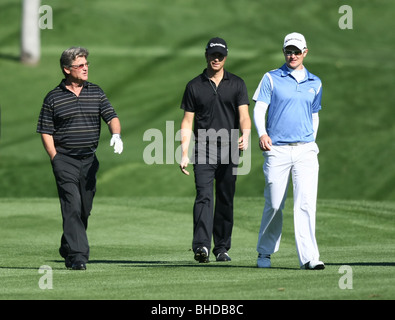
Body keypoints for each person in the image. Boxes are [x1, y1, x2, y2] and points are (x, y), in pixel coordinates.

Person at [36, 47, 123, 270]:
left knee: (84, 209)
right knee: (72, 206)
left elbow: (111, 116)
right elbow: (46, 131)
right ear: (67, 69)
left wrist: (116, 135)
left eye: (86, 65)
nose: (85, 69)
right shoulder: (53, 97)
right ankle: (78, 256)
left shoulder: (96, 91)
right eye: (80, 66)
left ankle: (67, 245)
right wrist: (55, 158)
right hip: (65, 159)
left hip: (89, 161)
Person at [253, 32, 325, 270]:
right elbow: (259, 108)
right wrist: (262, 133)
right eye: (288, 51)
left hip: (305, 151)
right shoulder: (271, 78)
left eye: (296, 51)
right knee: (274, 203)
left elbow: (314, 115)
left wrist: (310, 142)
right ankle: (265, 253)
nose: (292, 55)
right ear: (284, 52)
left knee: (305, 204)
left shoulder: (315, 82)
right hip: (278, 150)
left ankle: (309, 258)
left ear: (305, 52)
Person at [179, 37, 251, 263]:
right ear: (206, 56)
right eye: (212, 55)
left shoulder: (237, 84)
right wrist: (183, 152)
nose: (216, 59)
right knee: (204, 196)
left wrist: (246, 134)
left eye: (220, 55)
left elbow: (244, 116)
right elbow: (187, 122)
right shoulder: (194, 85)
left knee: (225, 198)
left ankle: (221, 248)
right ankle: (201, 246)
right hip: (203, 149)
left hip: (230, 148)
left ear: (226, 57)